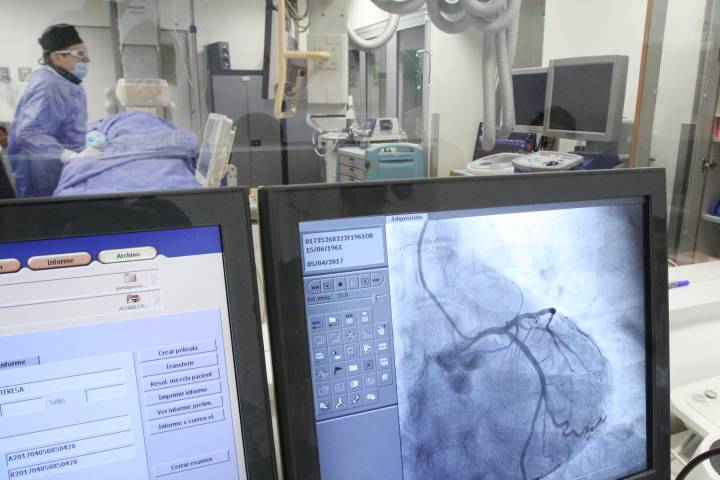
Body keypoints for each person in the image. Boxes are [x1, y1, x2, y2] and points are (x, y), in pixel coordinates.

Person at [9, 24, 90, 197]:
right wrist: (66, 155)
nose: (87, 60)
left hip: (62, 166)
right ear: (57, 57)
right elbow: (28, 133)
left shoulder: (66, 82)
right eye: (80, 54)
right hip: (45, 171)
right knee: (48, 210)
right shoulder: (48, 85)